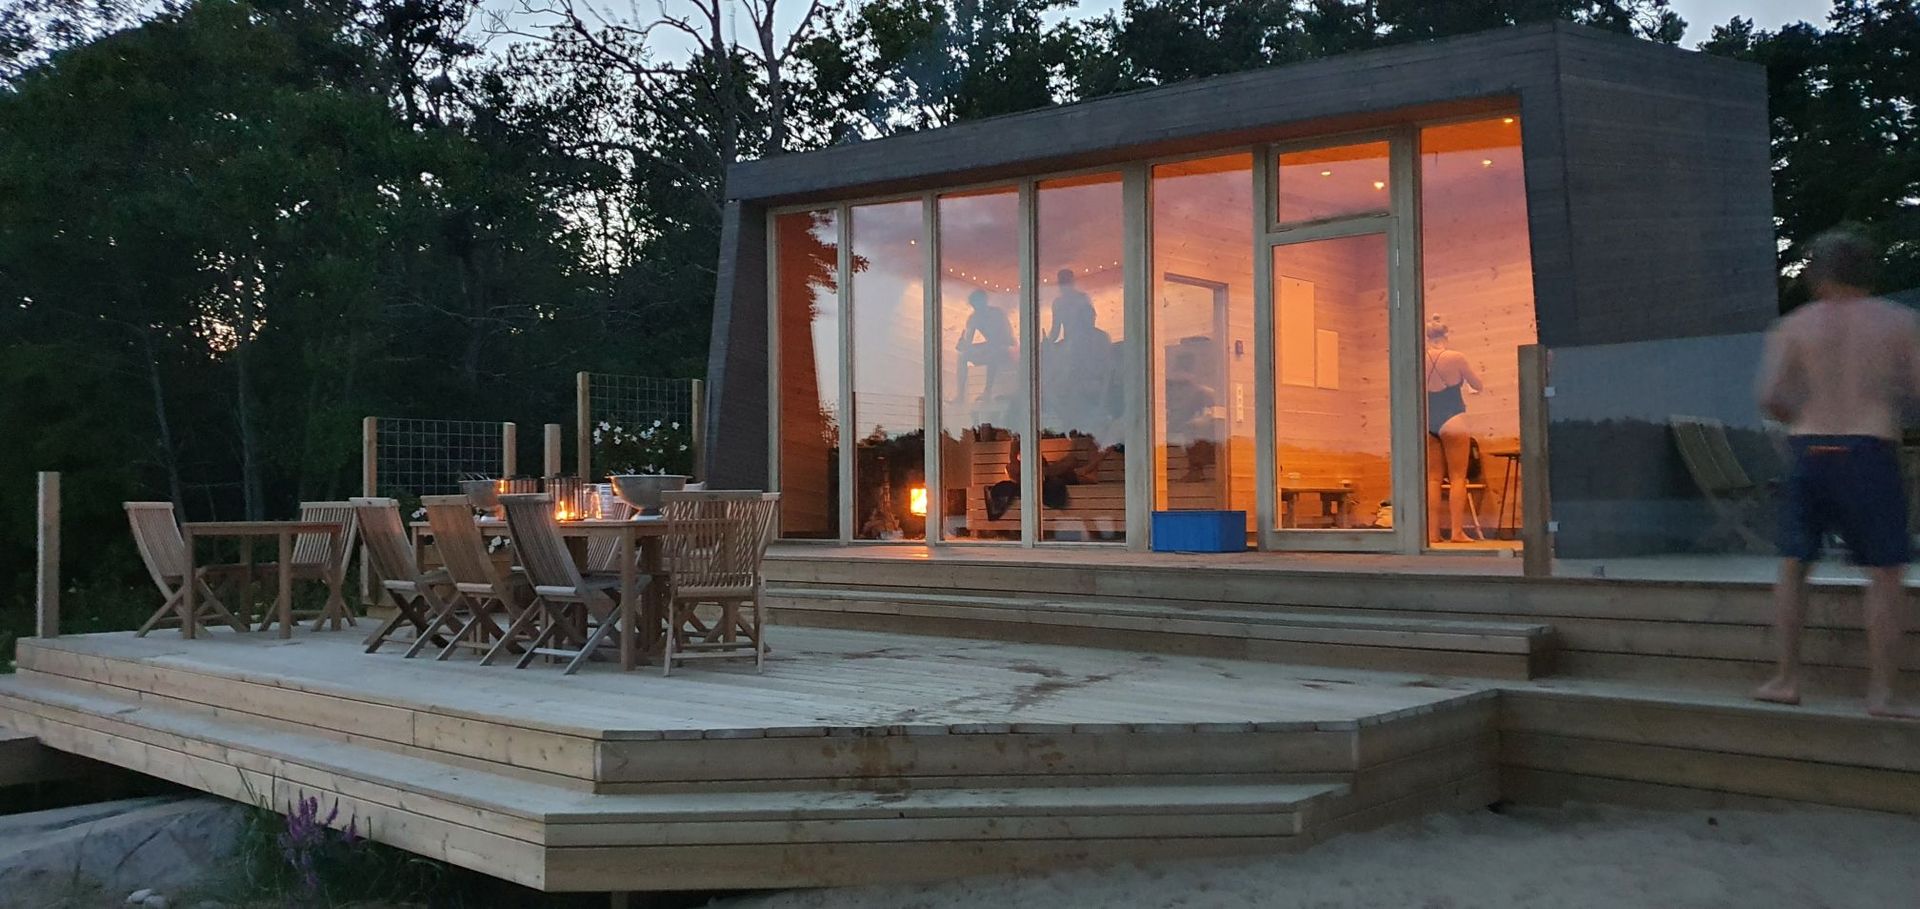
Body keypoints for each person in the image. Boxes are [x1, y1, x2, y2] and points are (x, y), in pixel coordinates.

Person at [1754, 229, 1920, 718]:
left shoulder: (1793, 326)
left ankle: (1785, 680)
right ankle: (1882, 694)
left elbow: (1769, 396)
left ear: (1817, 273)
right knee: (1884, 574)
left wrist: (1805, 419)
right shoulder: (1899, 322)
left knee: (1793, 567)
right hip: (1869, 449)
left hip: (1810, 448)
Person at [1424, 317, 1483, 543]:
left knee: (1432, 479)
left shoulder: (1419, 360)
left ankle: (1432, 533)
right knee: (1458, 477)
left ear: (1428, 337)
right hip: (1453, 417)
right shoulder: (1456, 357)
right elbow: (1478, 385)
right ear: (1445, 336)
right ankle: (1457, 532)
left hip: (1428, 420)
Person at [953, 290, 1013, 404]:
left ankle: (987, 391)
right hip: (990, 346)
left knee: (994, 351)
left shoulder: (997, 313)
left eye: (978, 305)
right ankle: (960, 396)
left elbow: (1007, 335)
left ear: (984, 302)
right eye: (974, 306)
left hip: (1006, 346)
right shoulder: (974, 318)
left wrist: (988, 347)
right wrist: (964, 345)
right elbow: (968, 339)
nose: (977, 308)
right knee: (962, 356)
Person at [1044, 269, 1096, 346]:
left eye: (1066, 282)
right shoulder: (1058, 303)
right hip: (1071, 346)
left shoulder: (1082, 298)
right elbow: (1055, 330)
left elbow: (1090, 321)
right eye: (1063, 282)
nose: (1064, 285)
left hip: (1084, 344)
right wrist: (1047, 342)